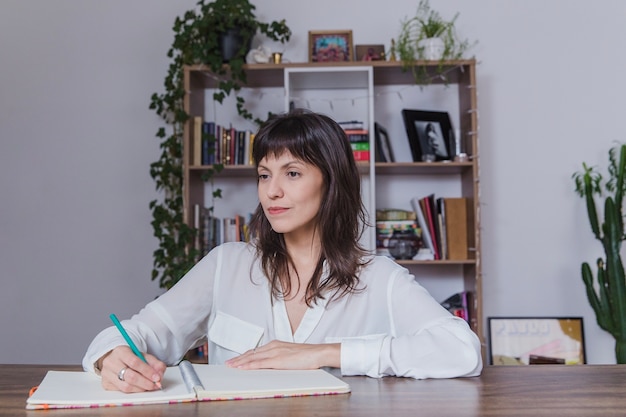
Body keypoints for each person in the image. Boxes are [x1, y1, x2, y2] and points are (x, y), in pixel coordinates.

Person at [83, 109, 482, 393]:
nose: (271, 191)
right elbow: (139, 333)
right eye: (264, 175)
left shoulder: (379, 278)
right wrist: (112, 357)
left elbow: (462, 351)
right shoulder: (227, 264)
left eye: (292, 173)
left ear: (332, 182)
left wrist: (322, 354)